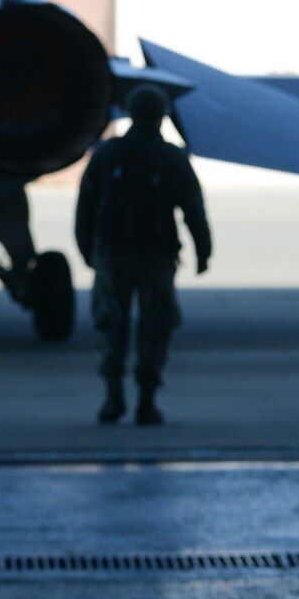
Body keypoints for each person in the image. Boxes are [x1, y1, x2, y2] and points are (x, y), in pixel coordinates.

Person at [74, 84, 211, 425]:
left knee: (111, 325)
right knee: (155, 328)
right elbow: (193, 209)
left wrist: (88, 250)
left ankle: (113, 398)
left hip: (113, 255)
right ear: (161, 115)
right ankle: (147, 402)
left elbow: (85, 207)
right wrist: (203, 251)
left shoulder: (107, 154)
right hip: (156, 258)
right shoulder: (173, 158)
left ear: (131, 113)